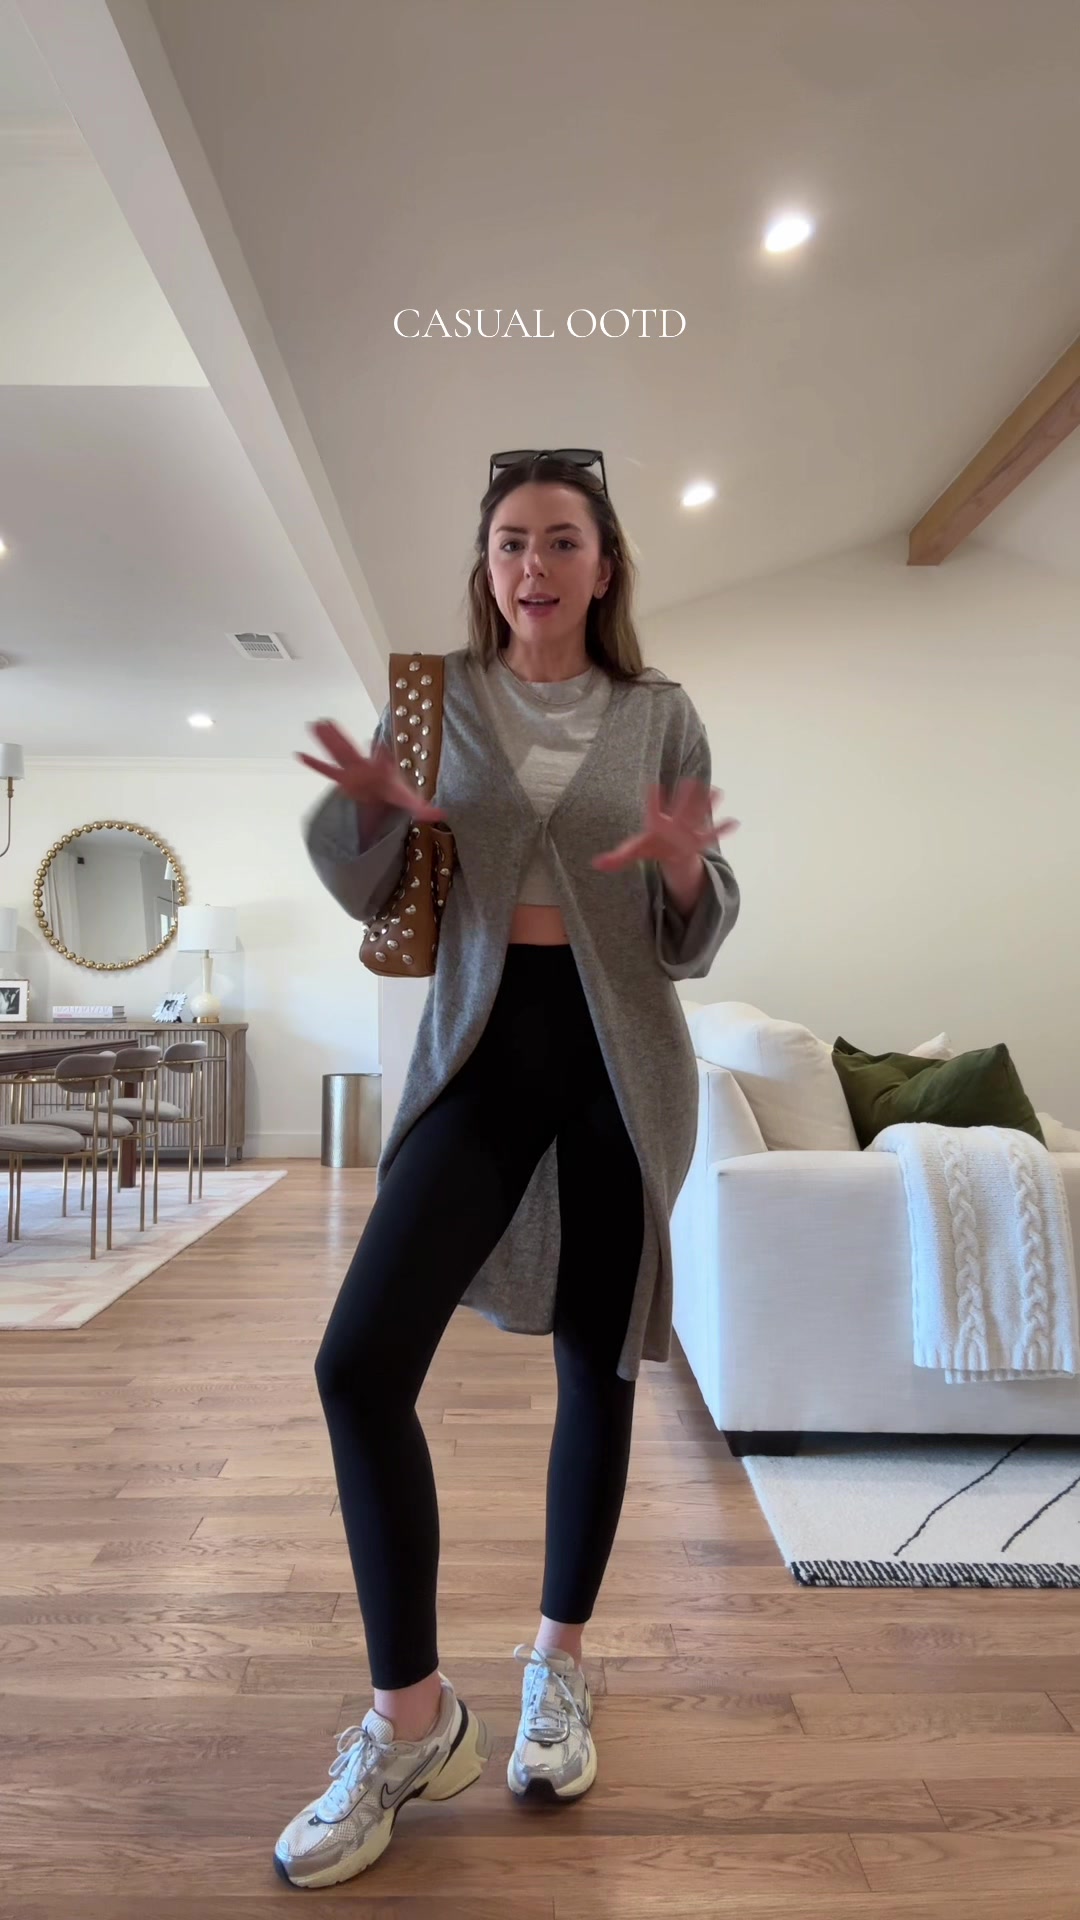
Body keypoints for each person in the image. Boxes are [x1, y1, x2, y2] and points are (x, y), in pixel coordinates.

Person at [275, 449, 741, 1889]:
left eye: (560, 540)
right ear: (487, 567)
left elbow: (695, 927)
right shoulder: (440, 704)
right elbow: (366, 877)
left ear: (604, 566)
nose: (532, 565)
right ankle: (412, 1719)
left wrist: (681, 866)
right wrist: (371, 807)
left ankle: (559, 1667)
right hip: (479, 1057)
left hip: (620, 1065)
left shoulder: (659, 713)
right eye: (510, 543)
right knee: (358, 1365)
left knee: (597, 1367)